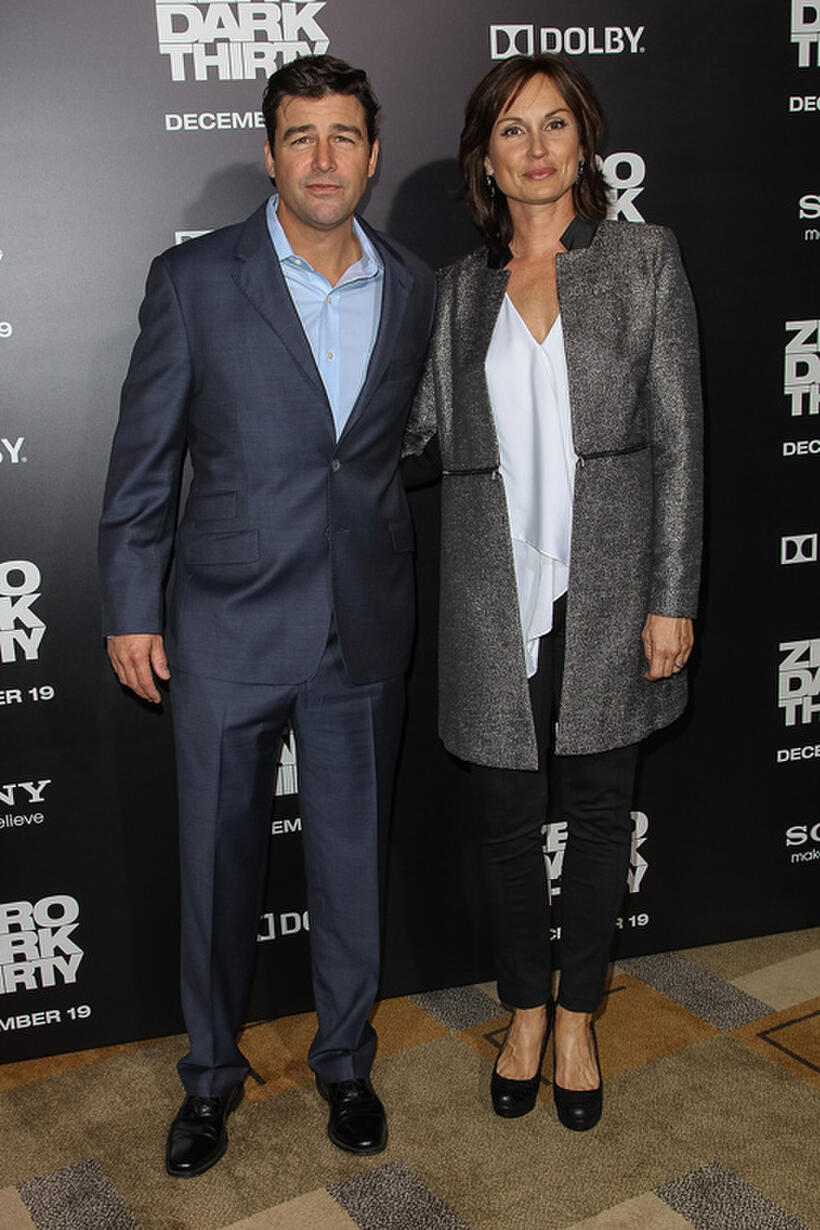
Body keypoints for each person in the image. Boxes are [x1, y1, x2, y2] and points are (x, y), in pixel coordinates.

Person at [99, 54, 435, 1175]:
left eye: (344, 136)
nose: (324, 158)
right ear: (270, 151)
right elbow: (144, 462)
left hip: (361, 626)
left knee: (352, 865)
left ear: (373, 153)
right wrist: (131, 606)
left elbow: (400, 448)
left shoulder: (413, 282)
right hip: (226, 626)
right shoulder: (195, 280)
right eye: (302, 136)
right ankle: (208, 1082)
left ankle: (346, 1062)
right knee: (216, 869)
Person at [404, 53, 702, 1131]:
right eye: (512, 131)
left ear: (586, 142)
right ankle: (522, 1008)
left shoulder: (643, 260)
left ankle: (578, 1016)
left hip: (611, 589)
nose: (535, 149)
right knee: (499, 817)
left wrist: (671, 596)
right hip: (496, 593)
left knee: (594, 811)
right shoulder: (455, 290)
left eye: (555, 126)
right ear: (485, 155)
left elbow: (679, 440)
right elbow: (421, 432)